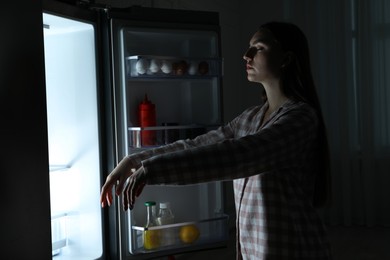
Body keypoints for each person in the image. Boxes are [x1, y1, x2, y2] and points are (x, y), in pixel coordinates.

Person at [101, 21, 332, 259]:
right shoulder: (250, 117)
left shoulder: (301, 118)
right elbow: (197, 145)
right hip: (255, 251)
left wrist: (153, 170)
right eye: (249, 47)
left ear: (286, 59)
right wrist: (134, 161)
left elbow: (240, 155)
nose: (246, 55)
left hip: (295, 249)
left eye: (259, 48)